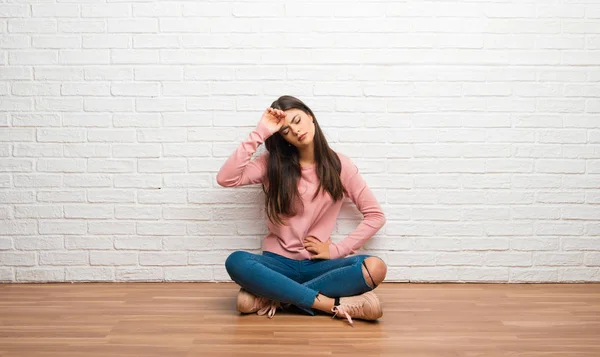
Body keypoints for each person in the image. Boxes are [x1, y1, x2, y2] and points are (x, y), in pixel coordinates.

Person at [216, 95, 387, 326]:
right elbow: (226, 179)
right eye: (285, 131)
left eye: (297, 120)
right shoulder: (271, 164)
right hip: (276, 265)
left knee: (374, 267)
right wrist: (260, 132)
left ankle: (274, 297)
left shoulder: (340, 165)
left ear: (310, 116)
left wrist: (337, 250)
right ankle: (331, 305)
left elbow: (375, 215)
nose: (295, 131)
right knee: (236, 261)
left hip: (319, 266)